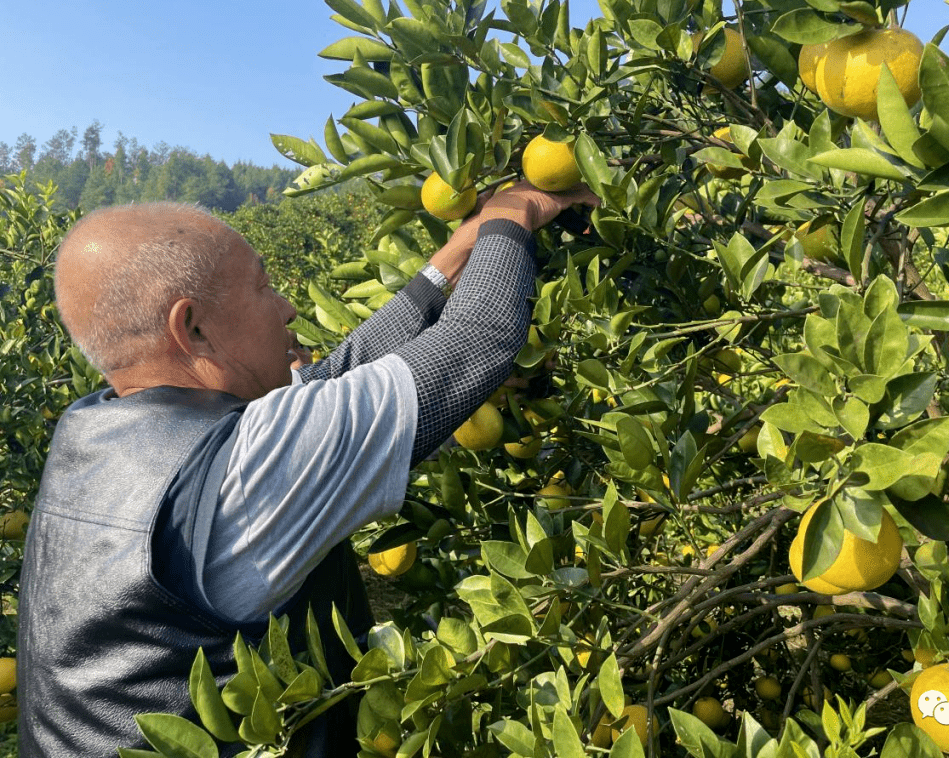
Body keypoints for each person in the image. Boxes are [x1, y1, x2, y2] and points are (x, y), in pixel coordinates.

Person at [16, 180, 598, 757]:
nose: (287, 306)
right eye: (263, 286)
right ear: (190, 326)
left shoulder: (96, 428)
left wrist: (455, 254)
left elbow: (340, 375)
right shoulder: (247, 466)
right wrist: (513, 211)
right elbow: (478, 340)